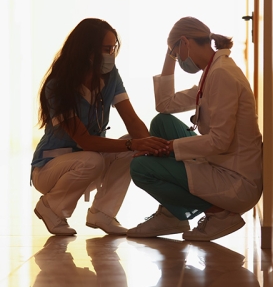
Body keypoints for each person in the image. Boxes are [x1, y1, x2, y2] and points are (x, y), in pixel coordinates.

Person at [127, 16, 263, 241]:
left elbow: (220, 141)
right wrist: (170, 53)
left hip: (236, 180)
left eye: (175, 52)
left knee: (141, 167)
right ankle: (172, 214)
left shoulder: (222, 74)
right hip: (220, 162)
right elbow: (165, 105)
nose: (178, 59)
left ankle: (218, 214)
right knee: (162, 121)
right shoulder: (211, 72)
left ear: (184, 42)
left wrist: (168, 147)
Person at [31, 18, 170, 236]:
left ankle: (103, 212)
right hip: (50, 168)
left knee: (130, 149)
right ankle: (52, 208)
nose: (111, 54)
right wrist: (134, 143)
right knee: (98, 157)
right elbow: (84, 141)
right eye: (107, 49)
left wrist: (150, 146)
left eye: (113, 48)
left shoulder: (110, 76)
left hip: (88, 159)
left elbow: (132, 121)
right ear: (88, 50)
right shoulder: (57, 86)